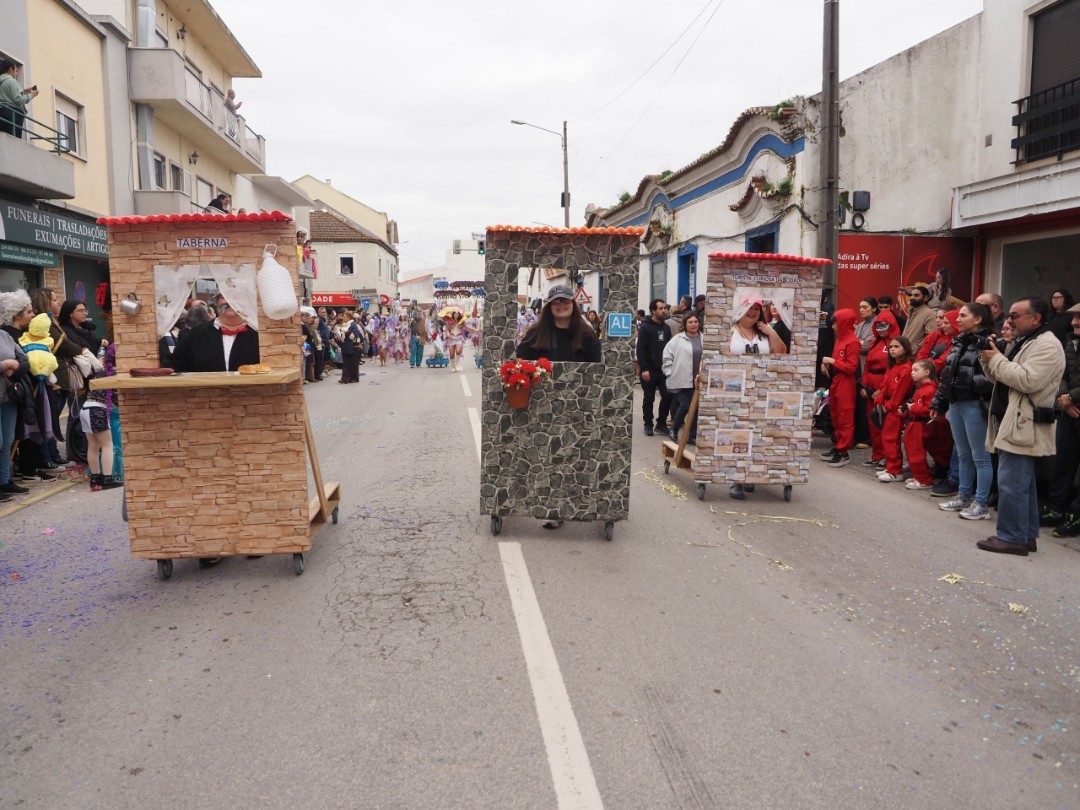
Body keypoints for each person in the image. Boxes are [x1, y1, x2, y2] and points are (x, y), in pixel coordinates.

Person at [976, 297, 1066, 555]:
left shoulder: (1047, 345)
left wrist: (997, 358)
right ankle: (1025, 536)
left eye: (1015, 315)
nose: (1009, 320)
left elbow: (1027, 380)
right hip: (1013, 420)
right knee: (1021, 483)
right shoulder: (1027, 341)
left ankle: (1012, 537)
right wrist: (987, 357)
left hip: (1023, 422)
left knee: (1011, 483)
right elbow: (1000, 377)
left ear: (1035, 318)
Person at [930, 303, 996, 521]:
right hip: (956, 403)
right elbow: (947, 374)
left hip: (975, 404)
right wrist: (938, 402)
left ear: (978, 319)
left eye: (963, 316)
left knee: (980, 457)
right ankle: (963, 496)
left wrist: (966, 384)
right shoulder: (959, 341)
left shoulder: (989, 342)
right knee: (963, 454)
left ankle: (981, 503)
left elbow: (993, 377)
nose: (957, 319)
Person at [1039, 302, 1080, 531]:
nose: (1074, 322)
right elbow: (1061, 374)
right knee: (1063, 463)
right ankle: (1055, 510)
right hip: (1069, 412)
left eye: (1079, 318)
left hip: (1073, 404)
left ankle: (1076, 516)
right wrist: (1064, 399)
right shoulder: (1070, 343)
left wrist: (1070, 397)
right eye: (1073, 317)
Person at [171, 292, 259, 372]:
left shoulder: (258, 333)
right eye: (224, 296)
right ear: (217, 302)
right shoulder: (197, 333)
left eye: (237, 297)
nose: (230, 301)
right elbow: (176, 363)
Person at [819, 308, 861, 467]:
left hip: (845, 382)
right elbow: (837, 361)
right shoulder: (840, 340)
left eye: (835, 323)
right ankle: (838, 445)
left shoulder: (852, 342)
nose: (833, 327)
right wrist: (827, 364)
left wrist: (831, 362)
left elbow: (851, 367)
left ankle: (843, 452)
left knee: (845, 416)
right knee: (836, 414)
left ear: (843, 323)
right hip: (836, 379)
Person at [517, 285, 601, 363]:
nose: (561, 304)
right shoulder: (535, 333)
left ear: (573, 304)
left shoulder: (588, 335)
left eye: (566, 301)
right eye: (556, 301)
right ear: (549, 307)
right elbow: (518, 361)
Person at [860, 309, 901, 468]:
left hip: (884, 386)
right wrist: (864, 385)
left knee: (884, 424)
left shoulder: (895, 344)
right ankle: (877, 455)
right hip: (871, 385)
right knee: (873, 423)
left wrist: (882, 390)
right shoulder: (875, 342)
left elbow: (893, 370)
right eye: (878, 325)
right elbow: (867, 365)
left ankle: (886, 456)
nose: (881, 328)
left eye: (884, 325)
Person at [0, 295, 31, 501]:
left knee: (8, 440)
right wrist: (6, 364)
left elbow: (25, 360)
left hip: (8, 396)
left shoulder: (4, 335)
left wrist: (15, 366)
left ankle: (4, 481)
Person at [875, 336, 914, 482]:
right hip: (888, 406)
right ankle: (892, 466)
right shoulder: (893, 366)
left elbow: (900, 392)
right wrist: (880, 400)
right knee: (887, 438)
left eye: (896, 347)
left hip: (896, 408)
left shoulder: (906, 368)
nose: (892, 349)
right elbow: (884, 386)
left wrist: (888, 406)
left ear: (905, 349)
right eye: (891, 347)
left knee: (891, 438)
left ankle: (895, 471)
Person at [662, 312, 703, 447]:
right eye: (690, 322)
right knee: (686, 404)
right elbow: (667, 357)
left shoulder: (703, 338)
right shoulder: (678, 339)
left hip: (699, 379)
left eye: (695, 322)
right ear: (685, 324)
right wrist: (669, 372)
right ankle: (674, 429)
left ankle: (692, 435)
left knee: (696, 408)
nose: (693, 324)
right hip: (682, 378)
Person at [901, 359, 940, 490]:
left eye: (916, 370)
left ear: (927, 372)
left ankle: (924, 480)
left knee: (916, 453)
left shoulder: (930, 389)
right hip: (914, 424)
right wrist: (907, 410)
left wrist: (913, 407)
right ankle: (919, 476)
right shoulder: (921, 388)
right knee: (911, 452)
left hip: (920, 425)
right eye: (912, 370)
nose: (912, 373)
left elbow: (929, 410)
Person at [636, 298, 672, 436]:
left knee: (667, 396)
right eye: (661, 308)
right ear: (653, 310)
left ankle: (661, 423)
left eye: (665, 308)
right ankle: (648, 424)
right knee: (649, 398)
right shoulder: (645, 327)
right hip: (649, 369)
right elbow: (640, 350)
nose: (664, 310)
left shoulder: (666, 328)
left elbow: (669, 348)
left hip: (663, 370)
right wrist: (644, 368)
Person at [80, 388, 121, 491]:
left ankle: (95, 479)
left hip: (85, 407)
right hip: (97, 410)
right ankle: (108, 478)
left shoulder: (100, 379)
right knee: (107, 445)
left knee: (93, 446)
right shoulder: (113, 379)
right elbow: (118, 401)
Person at [0, 59, 39, 138]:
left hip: (2, 112)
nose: (16, 73)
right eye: (16, 70)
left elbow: (7, 96)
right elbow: (18, 100)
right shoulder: (11, 81)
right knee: (13, 141)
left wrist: (23, 92)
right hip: (13, 115)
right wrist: (31, 95)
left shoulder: (2, 81)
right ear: (10, 69)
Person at [900, 284, 935, 354]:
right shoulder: (911, 311)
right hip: (904, 353)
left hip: (915, 356)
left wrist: (915, 349)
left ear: (925, 298)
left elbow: (931, 337)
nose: (912, 297)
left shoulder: (930, 314)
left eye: (916, 295)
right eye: (911, 295)